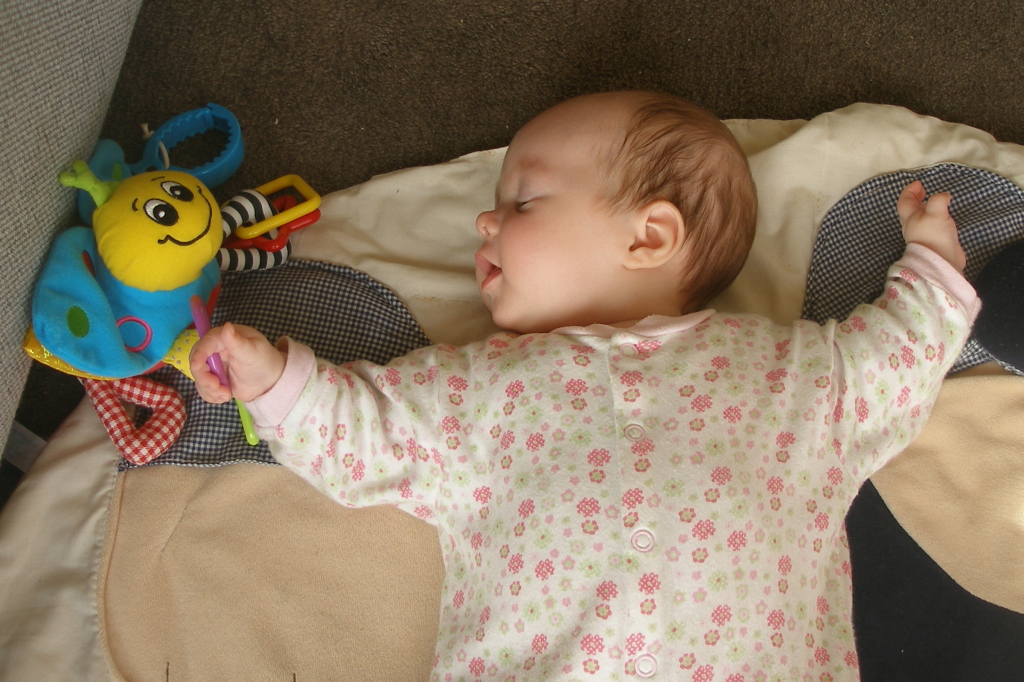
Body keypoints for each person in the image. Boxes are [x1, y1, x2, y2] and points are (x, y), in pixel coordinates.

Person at [191, 90, 977, 681]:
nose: (485, 224)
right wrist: (275, 380)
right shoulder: (478, 389)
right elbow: (365, 431)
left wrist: (932, 264)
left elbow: (894, 362)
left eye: (523, 200)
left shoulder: (791, 378)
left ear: (650, 235)